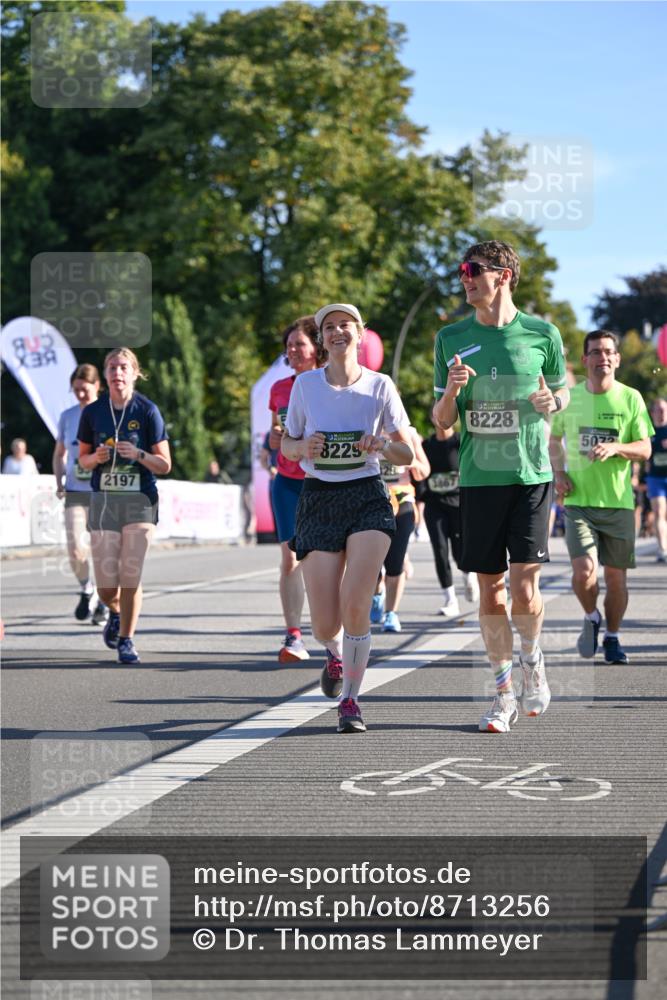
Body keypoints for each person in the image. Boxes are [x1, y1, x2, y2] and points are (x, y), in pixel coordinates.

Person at [433, 240, 570, 734]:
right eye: (462, 269)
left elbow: (561, 388)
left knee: (524, 584)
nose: (465, 277)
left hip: (530, 474)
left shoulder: (541, 333)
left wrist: (554, 400)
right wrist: (451, 390)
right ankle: (502, 693)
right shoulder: (451, 337)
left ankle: (532, 658)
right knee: (489, 590)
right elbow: (442, 422)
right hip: (479, 479)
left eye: (473, 270)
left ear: (504, 275)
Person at [282, 303, 413, 733]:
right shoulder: (305, 385)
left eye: (346, 325)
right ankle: (334, 653)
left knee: (357, 602)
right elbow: (287, 445)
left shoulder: (380, 386)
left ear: (361, 333)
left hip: (367, 498)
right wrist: (305, 450)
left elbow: (406, 452)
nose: (338, 332)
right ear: (323, 338)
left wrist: (379, 445)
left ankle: (351, 701)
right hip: (319, 498)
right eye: (330, 327)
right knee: (324, 622)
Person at [550, 331, 653, 663]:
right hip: (579, 501)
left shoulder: (631, 398)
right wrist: (559, 473)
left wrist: (616, 447)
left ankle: (612, 636)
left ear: (617, 359)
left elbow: (645, 448)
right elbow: (553, 440)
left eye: (609, 352)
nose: (603, 358)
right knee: (583, 572)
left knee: (615, 578)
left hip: (619, 503)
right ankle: (591, 616)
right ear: (585, 360)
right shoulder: (570, 398)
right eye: (595, 352)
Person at [77, 348, 171, 664]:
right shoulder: (92, 412)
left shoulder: (147, 411)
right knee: (106, 586)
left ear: (134, 373)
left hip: (140, 500)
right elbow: (83, 460)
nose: (118, 372)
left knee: (130, 573)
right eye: (112, 367)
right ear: (105, 375)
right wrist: (97, 458)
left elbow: (165, 464)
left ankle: (127, 640)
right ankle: (114, 610)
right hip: (104, 500)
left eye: (124, 367)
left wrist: (139, 454)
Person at [268, 316, 323, 663]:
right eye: (289, 346)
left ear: (315, 349)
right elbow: (276, 433)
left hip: (322, 482)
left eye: (299, 344)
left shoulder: (328, 384)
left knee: (323, 559)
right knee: (290, 558)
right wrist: (273, 439)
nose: (292, 350)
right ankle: (294, 635)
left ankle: (336, 631)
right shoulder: (278, 390)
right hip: (287, 481)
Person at [53, 364, 107, 624]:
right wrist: (59, 481)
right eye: (76, 390)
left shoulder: (108, 413)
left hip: (103, 491)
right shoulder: (67, 415)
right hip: (75, 489)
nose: (80, 395)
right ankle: (87, 589)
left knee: (101, 551)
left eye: (84, 390)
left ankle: (105, 601)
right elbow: (59, 453)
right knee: (75, 549)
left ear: (97, 386)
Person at [418, 417, 479, 617]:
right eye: (438, 417)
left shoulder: (461, 442)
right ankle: (450, 599)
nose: (443, 420)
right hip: (435, 506)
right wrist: (423, 495)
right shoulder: (426, 445)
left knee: (459, 549)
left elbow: (474, 466)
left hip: (459, 504)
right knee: (440, 550)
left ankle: (469, 575)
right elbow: (419, 473)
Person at [372, 426, 430, 633]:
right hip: (372, 499)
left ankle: (391, 613)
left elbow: (424, 470)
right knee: (372, 565)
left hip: (402, 498)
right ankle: (377, 593)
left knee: (395, 562)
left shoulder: (409, 433)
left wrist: (409, 460)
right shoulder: (366, 426)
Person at [646, 397, 667, 562]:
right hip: (655, 478)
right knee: (659, 511)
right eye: (658, 410)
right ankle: (663, 549)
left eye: (664, 409)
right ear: (652, 413)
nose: (662, 413)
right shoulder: (648, 431)